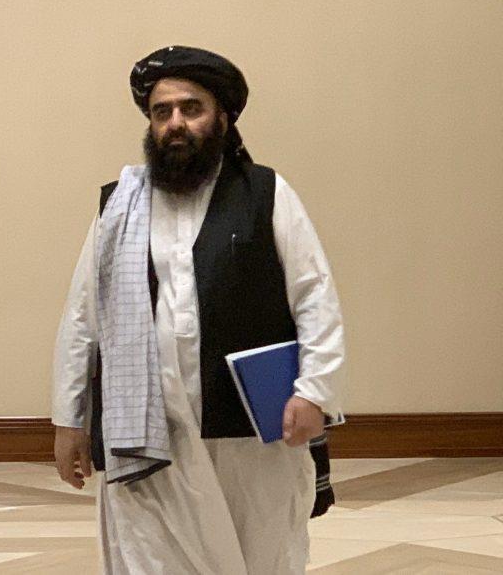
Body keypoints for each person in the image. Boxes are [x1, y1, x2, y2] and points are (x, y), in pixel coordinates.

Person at [52, 46, 346, 574]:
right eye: (162, 112)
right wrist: (69, 420)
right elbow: (83, 317)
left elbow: (314, 296)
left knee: (261, 553)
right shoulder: (121, 204)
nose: (175, 123)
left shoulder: (265, 192)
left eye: (191, 109)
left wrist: (314, 391)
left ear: (223, 119)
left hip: (248, 432)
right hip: (147, 428)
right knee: (152, 559)